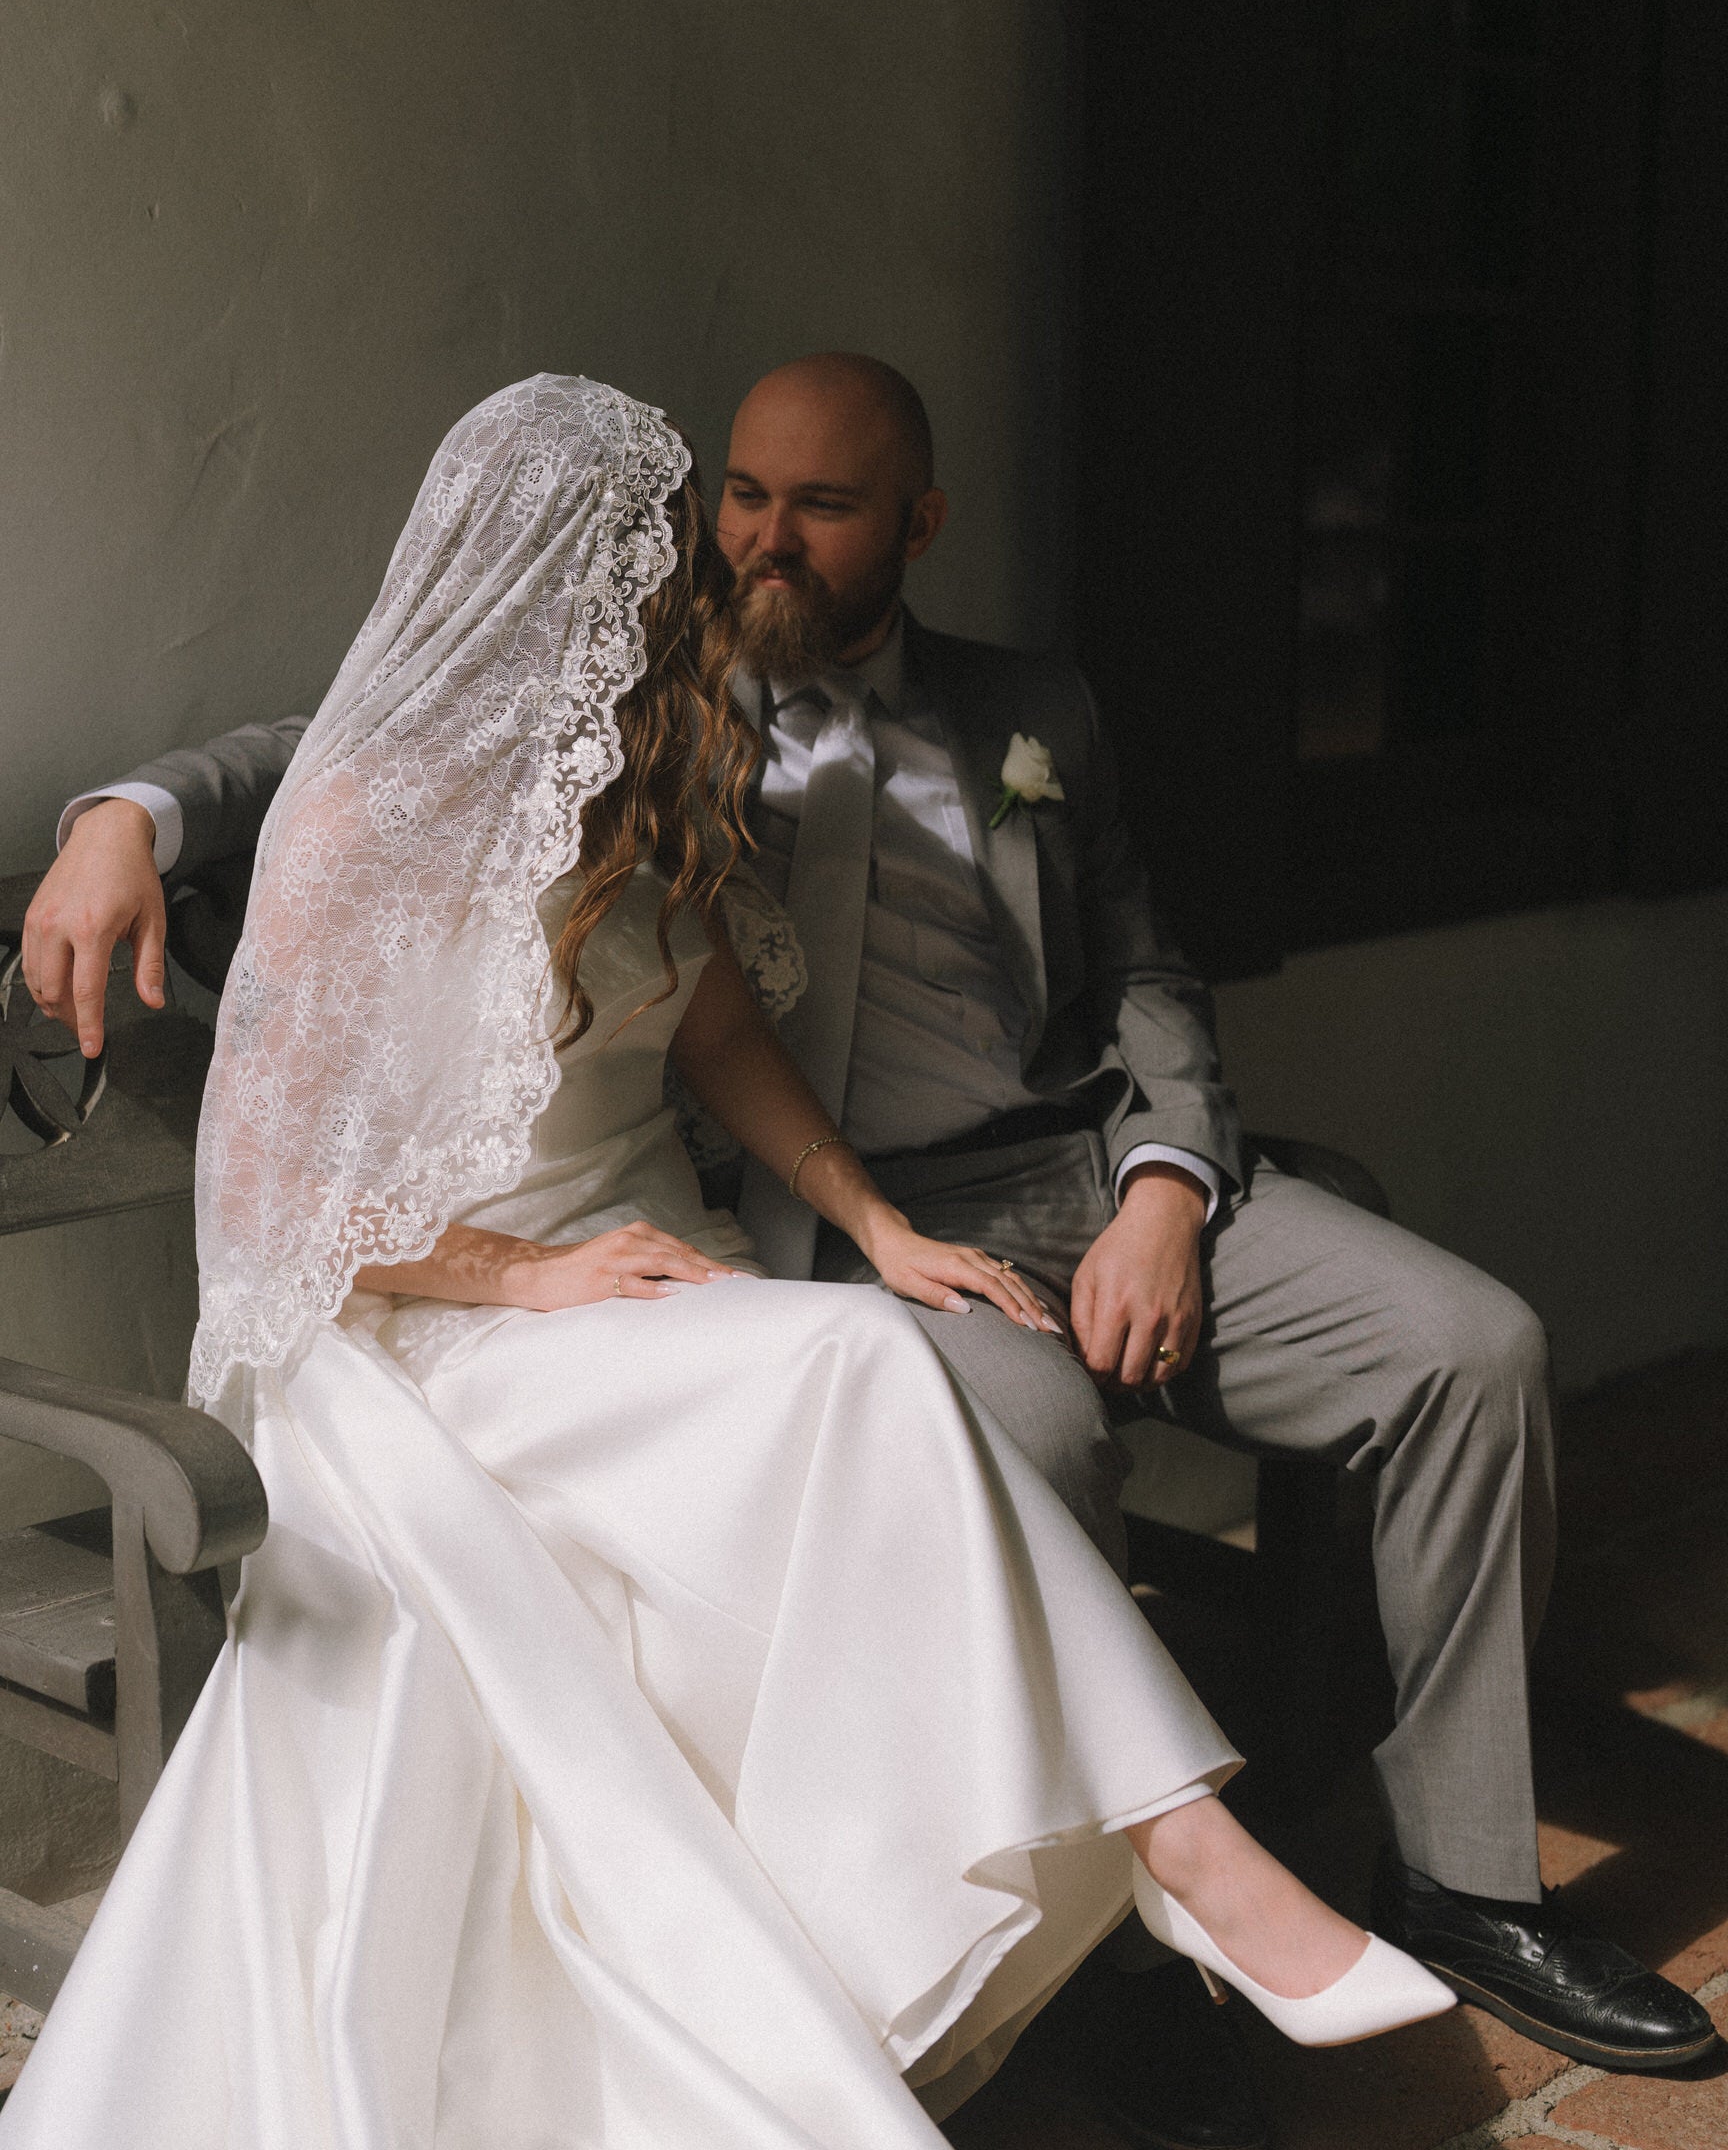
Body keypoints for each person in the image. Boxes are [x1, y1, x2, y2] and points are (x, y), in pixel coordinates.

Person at [23, 358, 1717, 2142]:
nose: (744, 554)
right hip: (478, 1302)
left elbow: (913, 1000)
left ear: (913, 522)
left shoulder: (897, 719)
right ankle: (1155, 1906)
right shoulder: (451, 761)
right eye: (722, 513)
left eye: (804, 511)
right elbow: (292, 1079)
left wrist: (1086, 1193)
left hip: (978, 1185)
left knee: (1472, 1348)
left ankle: (1444, 1885)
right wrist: (120, 814)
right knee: (931, 1399)